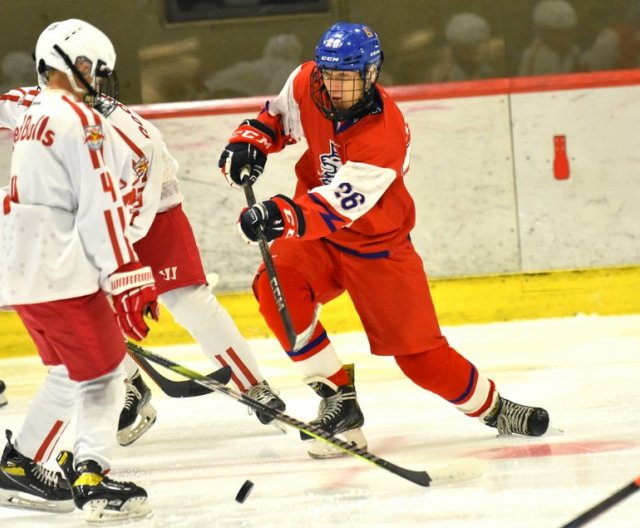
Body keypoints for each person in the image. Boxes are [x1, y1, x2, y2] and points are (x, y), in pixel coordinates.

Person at [218, 22, 550, 459]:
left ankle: (493, 407)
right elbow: (278, 117)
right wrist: (254, 140)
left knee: (422, 361)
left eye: (347, 78)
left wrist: (281, 215)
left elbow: (338, 207)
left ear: (371, 75)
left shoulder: (385, 133)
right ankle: (340, 403)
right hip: (318, 241)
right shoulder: (305, 81)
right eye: (329, 75)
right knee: (275, 285)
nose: (334, 87)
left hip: (378, 246)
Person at [1, 76, 286, 448]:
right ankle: (130, 387)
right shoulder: (35, 108)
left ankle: (254, 386)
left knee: (189, 300)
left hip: (151, 217)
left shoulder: (133, 141)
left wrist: (118, 276)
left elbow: (131, 220)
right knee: (90, 311)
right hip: (84, 221)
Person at [0, 19, 154, 522]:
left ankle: (20, 464)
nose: (93, 76)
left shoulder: (32, 112)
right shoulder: (78, 119)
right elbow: (100, 205)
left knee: (69, 371)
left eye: (96, 68)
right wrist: (126, 275)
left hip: (24, 273)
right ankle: (93, 477)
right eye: (86, 65)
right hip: (61, 272)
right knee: (107, 375)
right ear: (60, 62)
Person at [519, 0, 583, 76]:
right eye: (558, 33)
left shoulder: (575, 54)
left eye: (568, 33)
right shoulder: (532, 56)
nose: (564, 39)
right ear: (544, 32)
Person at [430, 12, 497, 82]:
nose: (480, 48)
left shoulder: (486, 70)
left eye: (483, 42)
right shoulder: (443, 75)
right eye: (472, 45)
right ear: (456, 48)